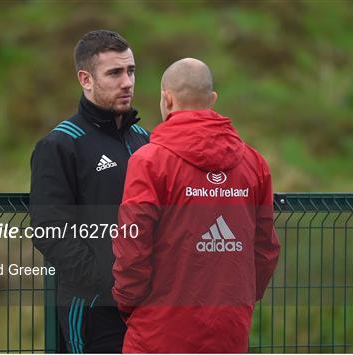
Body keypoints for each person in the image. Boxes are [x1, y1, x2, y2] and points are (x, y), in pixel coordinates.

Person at [111, 58, 280, 353]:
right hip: (229, 330)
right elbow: (265, 250)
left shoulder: (148, 161)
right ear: (212, 100)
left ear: (167, 98)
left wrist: (128, 303)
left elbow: (133, 247)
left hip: (158, 333)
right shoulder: (254, 163)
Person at [29, 30, 149, 353]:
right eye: (115, 73)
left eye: (131, 71)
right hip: (94, 310)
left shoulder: (146, 140)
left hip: (148, 309)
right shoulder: (60, 145)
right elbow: (49, 230)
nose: (127, 82)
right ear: (85, 79)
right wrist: (109, 285)